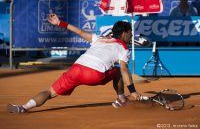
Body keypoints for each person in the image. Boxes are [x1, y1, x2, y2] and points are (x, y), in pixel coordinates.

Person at [7, 13, 144, 113]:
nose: (131, 36)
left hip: (76, 69)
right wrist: (132, 91)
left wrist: (59, 23)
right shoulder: (124, 48)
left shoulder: (99, 39)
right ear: (124, 33)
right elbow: (125, 70)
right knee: (118, 71)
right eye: (130, 33)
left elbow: (79, 31)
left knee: (50, 92)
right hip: (94, 73)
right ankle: (122, 99)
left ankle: (23, 107)